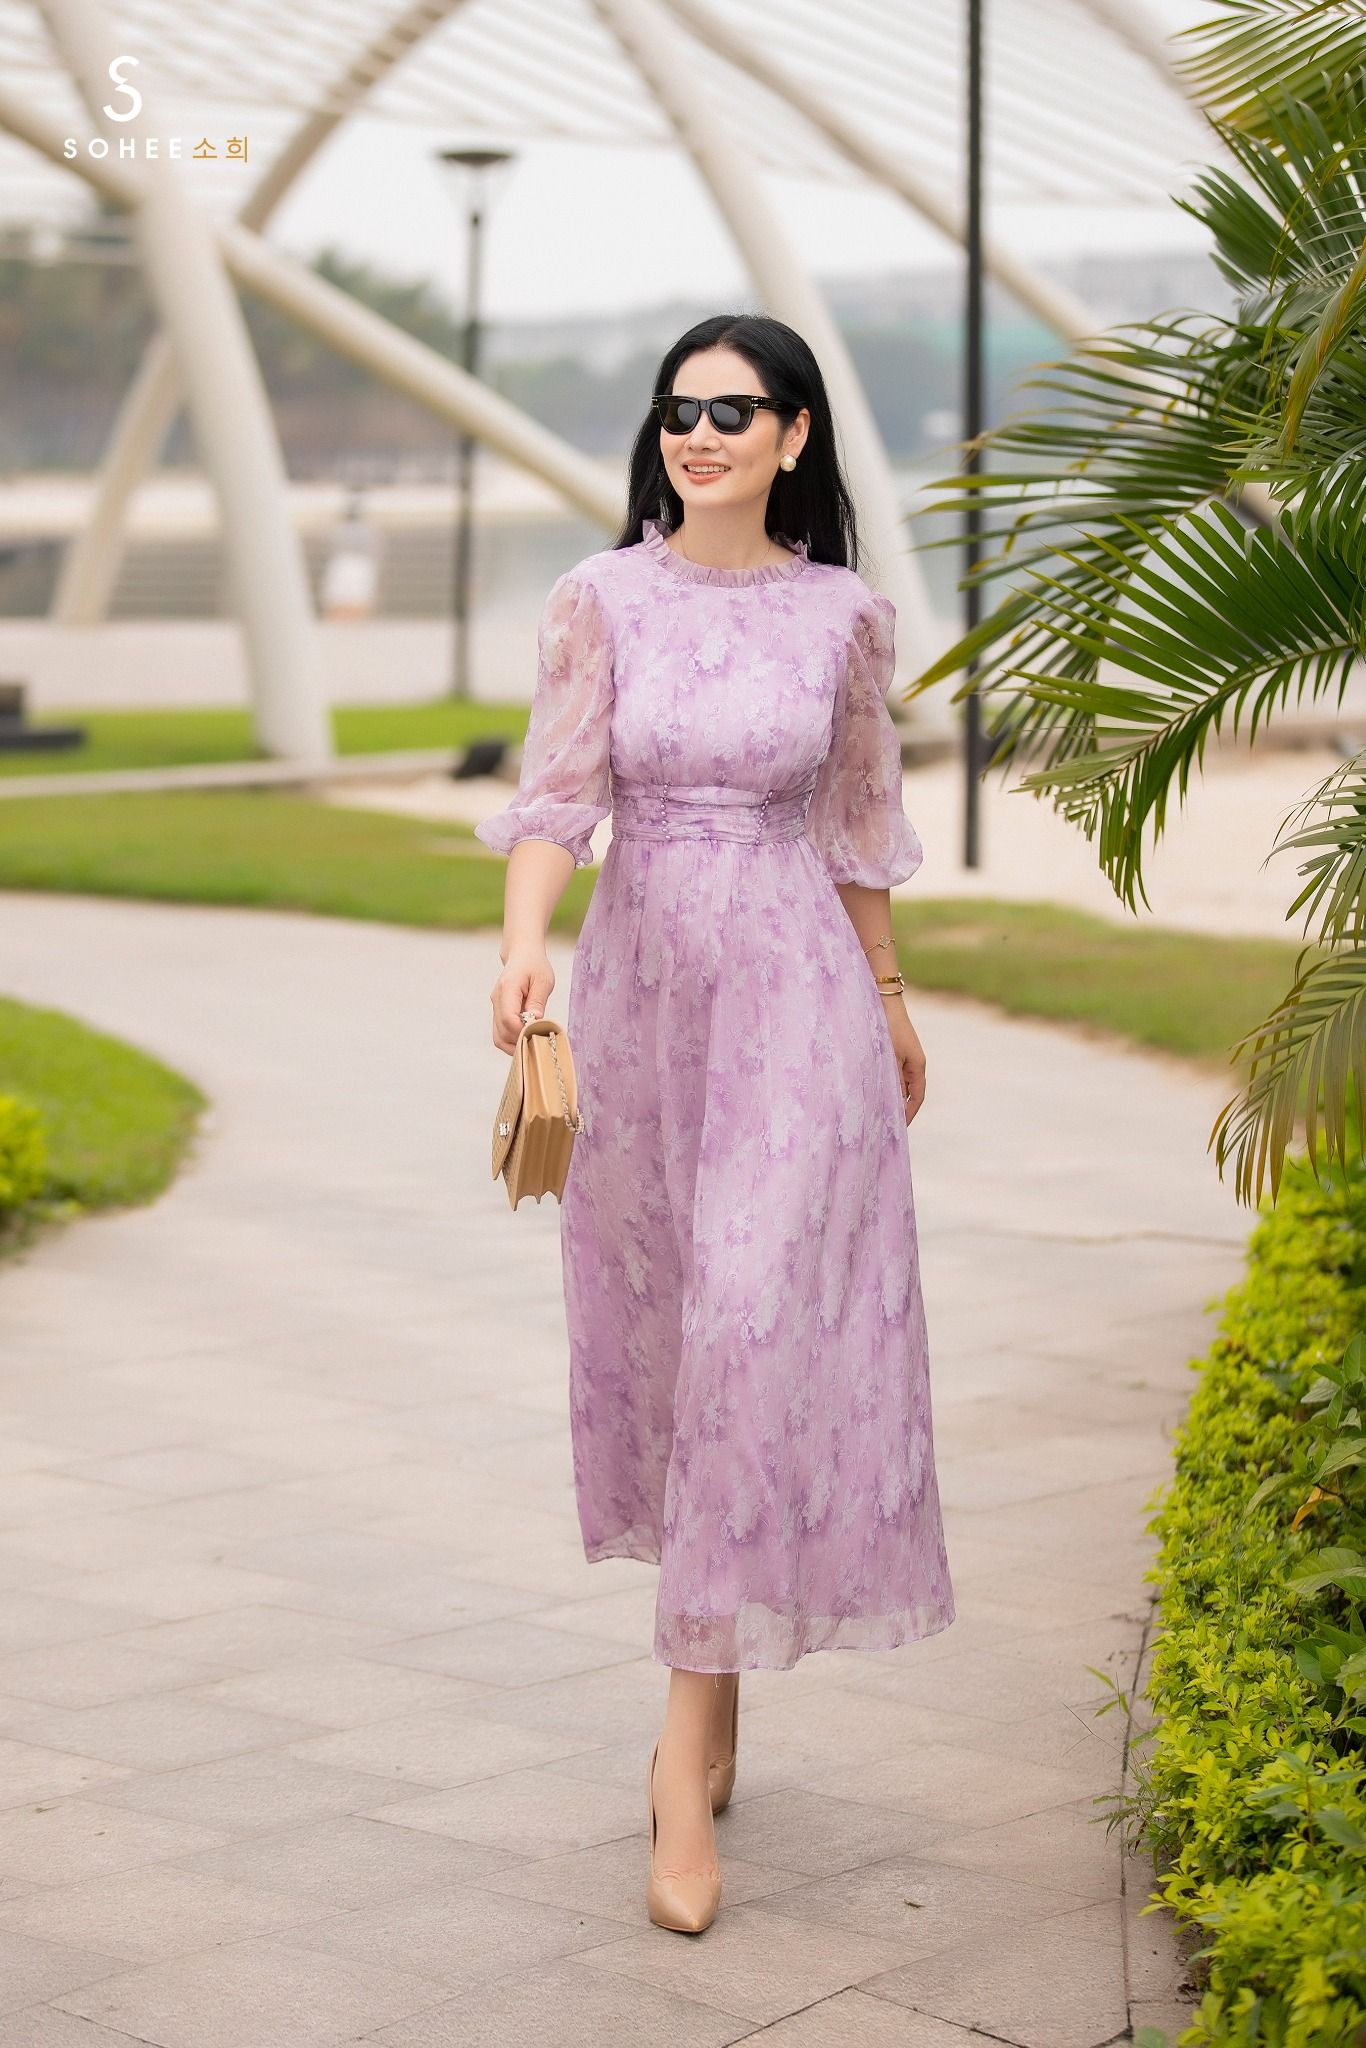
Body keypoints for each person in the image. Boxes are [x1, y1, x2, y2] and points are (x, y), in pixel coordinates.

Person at [475, 312, 955, 1936]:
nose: (698, 434)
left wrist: (889, 997)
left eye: (733, 412)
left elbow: (858, 823)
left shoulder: (844, 617)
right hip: (644, 1001)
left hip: (800, 1002)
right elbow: (556, 796)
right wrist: (523, 944)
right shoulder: (599, 597)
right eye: (679, 409)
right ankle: (719, 1678)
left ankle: (678, 1768)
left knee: (753, 1328)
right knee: (682, 1342)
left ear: (794, 436)